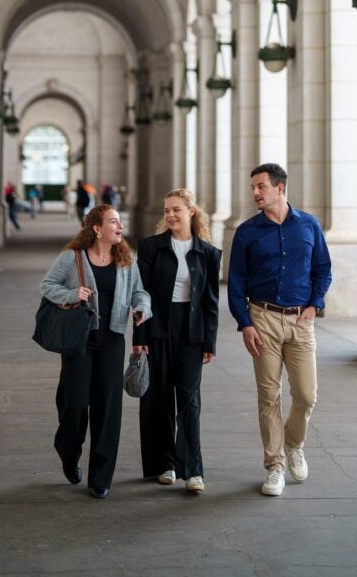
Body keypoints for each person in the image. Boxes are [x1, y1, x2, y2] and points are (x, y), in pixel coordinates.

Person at [227, 163, 332, 497]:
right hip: (263, 318)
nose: (255, 193)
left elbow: (322, 269)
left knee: (306, 395)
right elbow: (236, 282)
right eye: (253, 188)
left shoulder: (309, 225)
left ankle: (294, 444)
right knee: (268, 396)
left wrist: (315, 304)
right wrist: (245, 323)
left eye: (261, 187)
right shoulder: (246, 232)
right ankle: (274, 466)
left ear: (280, 188)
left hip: (301, 320)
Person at [40, 205, 151, 499]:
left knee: (108, 408)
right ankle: (68, 450)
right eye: (114, 222)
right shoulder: (71, 258)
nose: (120, 227)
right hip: (79, 340)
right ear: (97, 229)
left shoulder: (126, 259)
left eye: (120, 222)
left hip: (112, 340)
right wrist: (71, 294)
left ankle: (101, 478)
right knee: (75, 404)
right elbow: (47, 285)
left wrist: (142, 308)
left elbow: (140, 292)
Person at [134, 188, 221, 493]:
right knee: (158, 400)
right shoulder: (150, 249)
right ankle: (165, 464)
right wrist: (139, 336)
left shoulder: (208, 254)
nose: (170, 215)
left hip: (191, 331)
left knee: (189, 401)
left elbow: (211, 302)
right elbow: (140, 296)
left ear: (191, 212)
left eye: (176, 210)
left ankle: (193, 470)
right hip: (158, 328)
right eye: (166, 210)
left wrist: (210, 342)